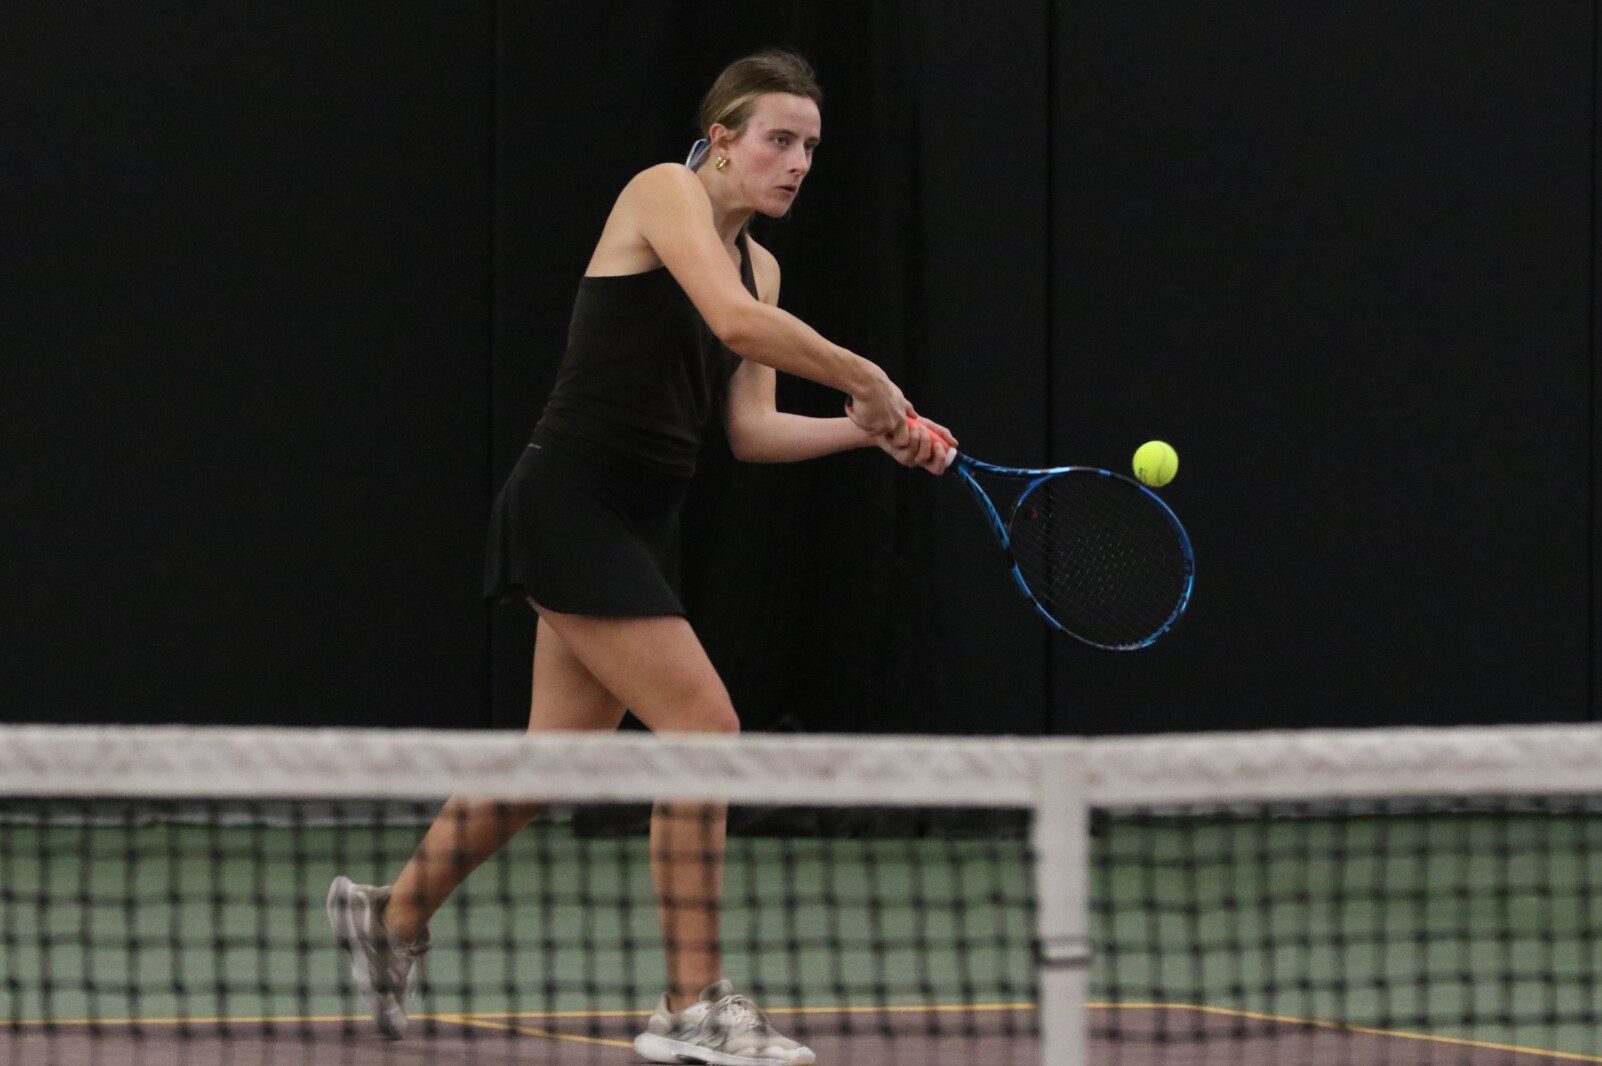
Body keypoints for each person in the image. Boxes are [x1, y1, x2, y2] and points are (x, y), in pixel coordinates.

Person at [327, 49, 955, 1066]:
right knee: (704, 728)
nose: (795, 163)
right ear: (721, 141)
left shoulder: (768, 266)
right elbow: (735, 323)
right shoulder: (663, 194)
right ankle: (690, 1006)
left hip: (637, 521)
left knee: (552, 762)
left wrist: (870, 429)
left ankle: (388, 917)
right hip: (569, 503)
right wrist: (869, 375)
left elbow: (749, 431)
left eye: (809, 147)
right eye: (777, 139)